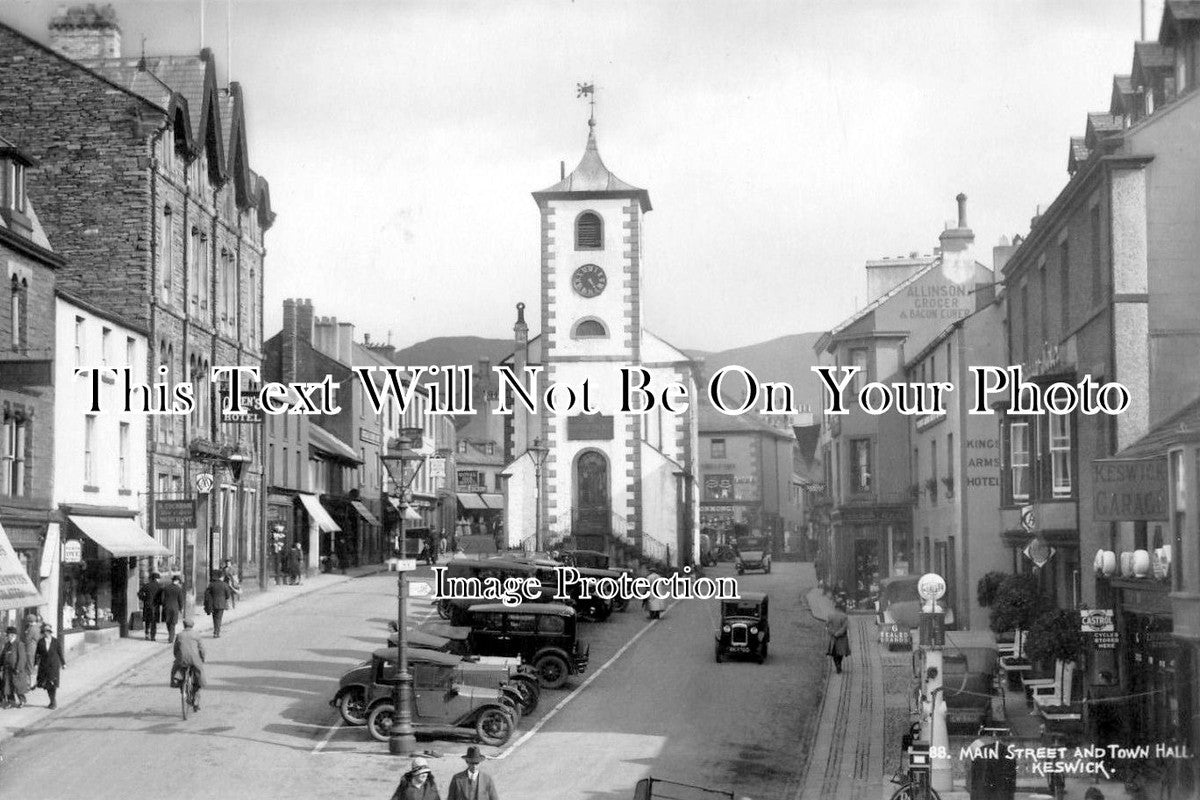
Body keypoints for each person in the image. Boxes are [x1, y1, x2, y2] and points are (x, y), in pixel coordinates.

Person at [172, 619, 206, 712]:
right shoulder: (196, 635)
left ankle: (179, 684)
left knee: (176, 669)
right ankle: (196, 701)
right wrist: (202, 659)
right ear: (192, 626)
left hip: (182, 660)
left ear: (184, 625)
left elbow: (175, 650)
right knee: (199, 676)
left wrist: (177, 657)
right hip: (194, 660)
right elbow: (202, 649)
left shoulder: (179, 635)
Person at [34, 624, 65, 709]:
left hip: (54, 665)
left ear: (50, 632)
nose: (46, 633)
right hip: (44, 666)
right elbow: (37, 654)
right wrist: (36, 664)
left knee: (53, 684)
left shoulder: (55, 641)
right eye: (45, 632)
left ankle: (53, 702)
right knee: (47, 685)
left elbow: (60, 652)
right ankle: (52, 701)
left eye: (48, 632)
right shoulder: (40, 642)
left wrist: (63, 663)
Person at [1, 626, 30, 708]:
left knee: (18, 686)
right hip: (7, 669)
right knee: (7, 686)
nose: (7, 636)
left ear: (13, 635)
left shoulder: (19, 644)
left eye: (8, 635)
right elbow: (2, 656)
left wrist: (18, 668)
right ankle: (11, 702)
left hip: (16, 670)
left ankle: (22, 701)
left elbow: (22, 658)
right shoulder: (7, 645)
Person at [203, 571, 235, 638]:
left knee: (214, 618)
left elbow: (207, 594)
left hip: (213, 604)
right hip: (221, 604)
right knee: (219, 618)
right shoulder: (224, 584)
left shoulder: (211, 584)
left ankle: (215, 631)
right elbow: (228, 595)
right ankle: (217, 632)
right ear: (221, 577)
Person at [159, 574, 186, 643]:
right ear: (177, 581)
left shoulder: (166, 588)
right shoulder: (178, 589)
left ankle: (170, 635)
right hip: (175, 608)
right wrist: (181, 608)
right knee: (173, 623)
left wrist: (164, 604)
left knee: (168, 622)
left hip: (166, 608)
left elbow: (162, 599)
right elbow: (180, 600)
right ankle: (171, 637)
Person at [826, 601, 851, 674]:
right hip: (841, 638)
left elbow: (827, 625)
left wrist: (833, 633)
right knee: (841, 653)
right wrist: (838, 633)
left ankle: (837, 664)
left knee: (834, 653)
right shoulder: (844, 616)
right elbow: (844, 627)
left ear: (835, 607)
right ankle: (839, 664)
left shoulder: (830, 615)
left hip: (833, 638)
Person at [138, 572, 163, 641]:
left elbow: (139, 593)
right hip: (155, 606)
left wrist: (144, 599)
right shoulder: (159, 586)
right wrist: (160, 602)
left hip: (147, 605)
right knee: (154, 622)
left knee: (147, 621)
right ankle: (153, 636)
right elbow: (162, 596)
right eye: (158, 579)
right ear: (156, 579)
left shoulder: (146, 585)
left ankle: (147, 634)